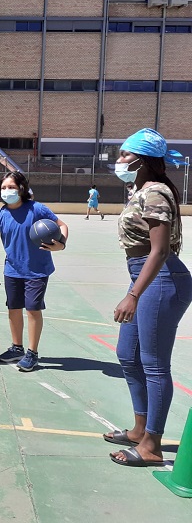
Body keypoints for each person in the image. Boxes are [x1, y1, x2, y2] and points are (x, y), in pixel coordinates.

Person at [105, 128, 192, 467]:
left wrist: (133, 295)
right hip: (147, 279)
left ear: (143, 160)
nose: (120, 159)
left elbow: (159, 250)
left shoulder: (155, 192)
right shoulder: (141, 190)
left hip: (162, 280)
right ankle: (140, 429)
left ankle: (152, 446)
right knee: (128, 354)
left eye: (126, 154)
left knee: (154, 364)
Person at [0, 171, 69, 372]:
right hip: (12, 270)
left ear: (21, 189)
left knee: (32, 309)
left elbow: (62, 226)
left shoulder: (37, 209)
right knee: (13, 309)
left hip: (37, 270)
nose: (7, 191)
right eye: (4, 188)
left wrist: (61, 244)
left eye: (11, 187)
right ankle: (17, 348)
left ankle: (32, 353)